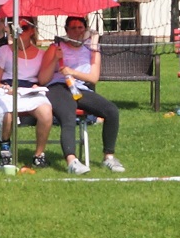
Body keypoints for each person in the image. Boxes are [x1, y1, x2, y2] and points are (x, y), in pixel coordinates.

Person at [38, 16, 124, 175]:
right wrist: (55, 60)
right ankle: (72, 161)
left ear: (85, 30)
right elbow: (43, 79)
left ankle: (109, 157)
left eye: (80, 28)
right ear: (66, 30)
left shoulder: (92, 50)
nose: (76, 31)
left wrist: (72, 72)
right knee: (68, 113)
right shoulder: (55, 48)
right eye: (72, 28)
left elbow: (93, 78)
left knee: (111, 111)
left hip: (79, 88)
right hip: (58, 87)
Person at [0, 17, 52, 168]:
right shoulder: (4, 51)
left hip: (30, 91)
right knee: (8, 111)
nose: (19, 32)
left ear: (32, 31)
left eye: (24, 28)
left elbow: (44, 79)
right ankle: (5, 151)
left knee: (46, 112)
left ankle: (39, 155)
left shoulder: (41, 54)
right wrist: (6, 88)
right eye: (16, 28)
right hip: (7, 89)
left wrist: (37, 85)